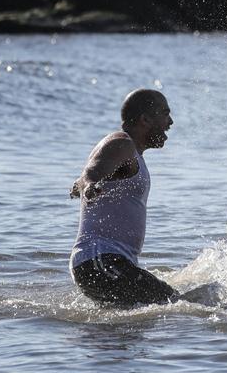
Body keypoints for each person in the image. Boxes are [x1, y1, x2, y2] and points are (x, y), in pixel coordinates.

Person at [69, 88, 179, 307]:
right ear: (145, 119)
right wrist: (89, 184)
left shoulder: (133, 154)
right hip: (99, 259)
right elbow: (92, 171)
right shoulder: (121, 143)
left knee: (132, 326)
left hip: (109, 261)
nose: (171, 122)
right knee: (175, 305)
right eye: (165, 114)